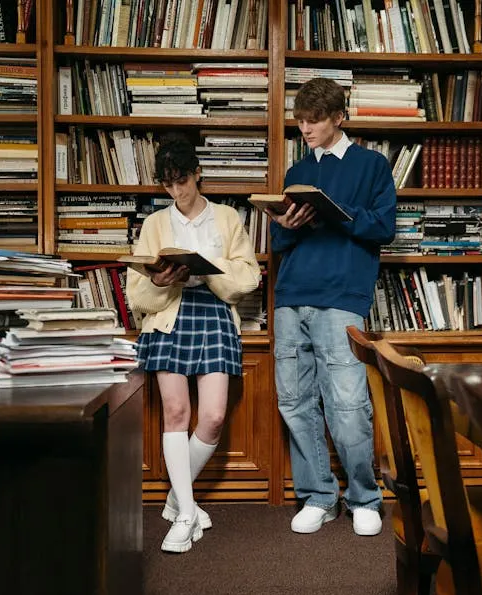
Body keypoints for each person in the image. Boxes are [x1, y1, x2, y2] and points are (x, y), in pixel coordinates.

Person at [269, 77, 396, 536]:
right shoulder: (295, 172)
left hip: (341, 296)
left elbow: (384, 228)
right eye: (300, 121)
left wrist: (335, 213)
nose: (305, 128)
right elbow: (280, 242)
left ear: (338, 118)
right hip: (291, 296)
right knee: (295, 400)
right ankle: (318, 496)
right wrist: (287, 223)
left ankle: (364, 498)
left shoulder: (372, 166)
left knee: (346, 404)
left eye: (314, 120)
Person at [127, 134, 261, 553]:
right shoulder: (154, 225)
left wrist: (210, 268)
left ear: (197, 173)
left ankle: (175, 498)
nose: (177, 190)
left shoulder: (227, 218)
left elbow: (247, 279)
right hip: (170, 316)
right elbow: (137, 295)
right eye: (168, 183)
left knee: (215, 416)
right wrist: (161, 280)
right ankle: (186, 514)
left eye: (182, 179)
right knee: (176, 411)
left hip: (215, 314)